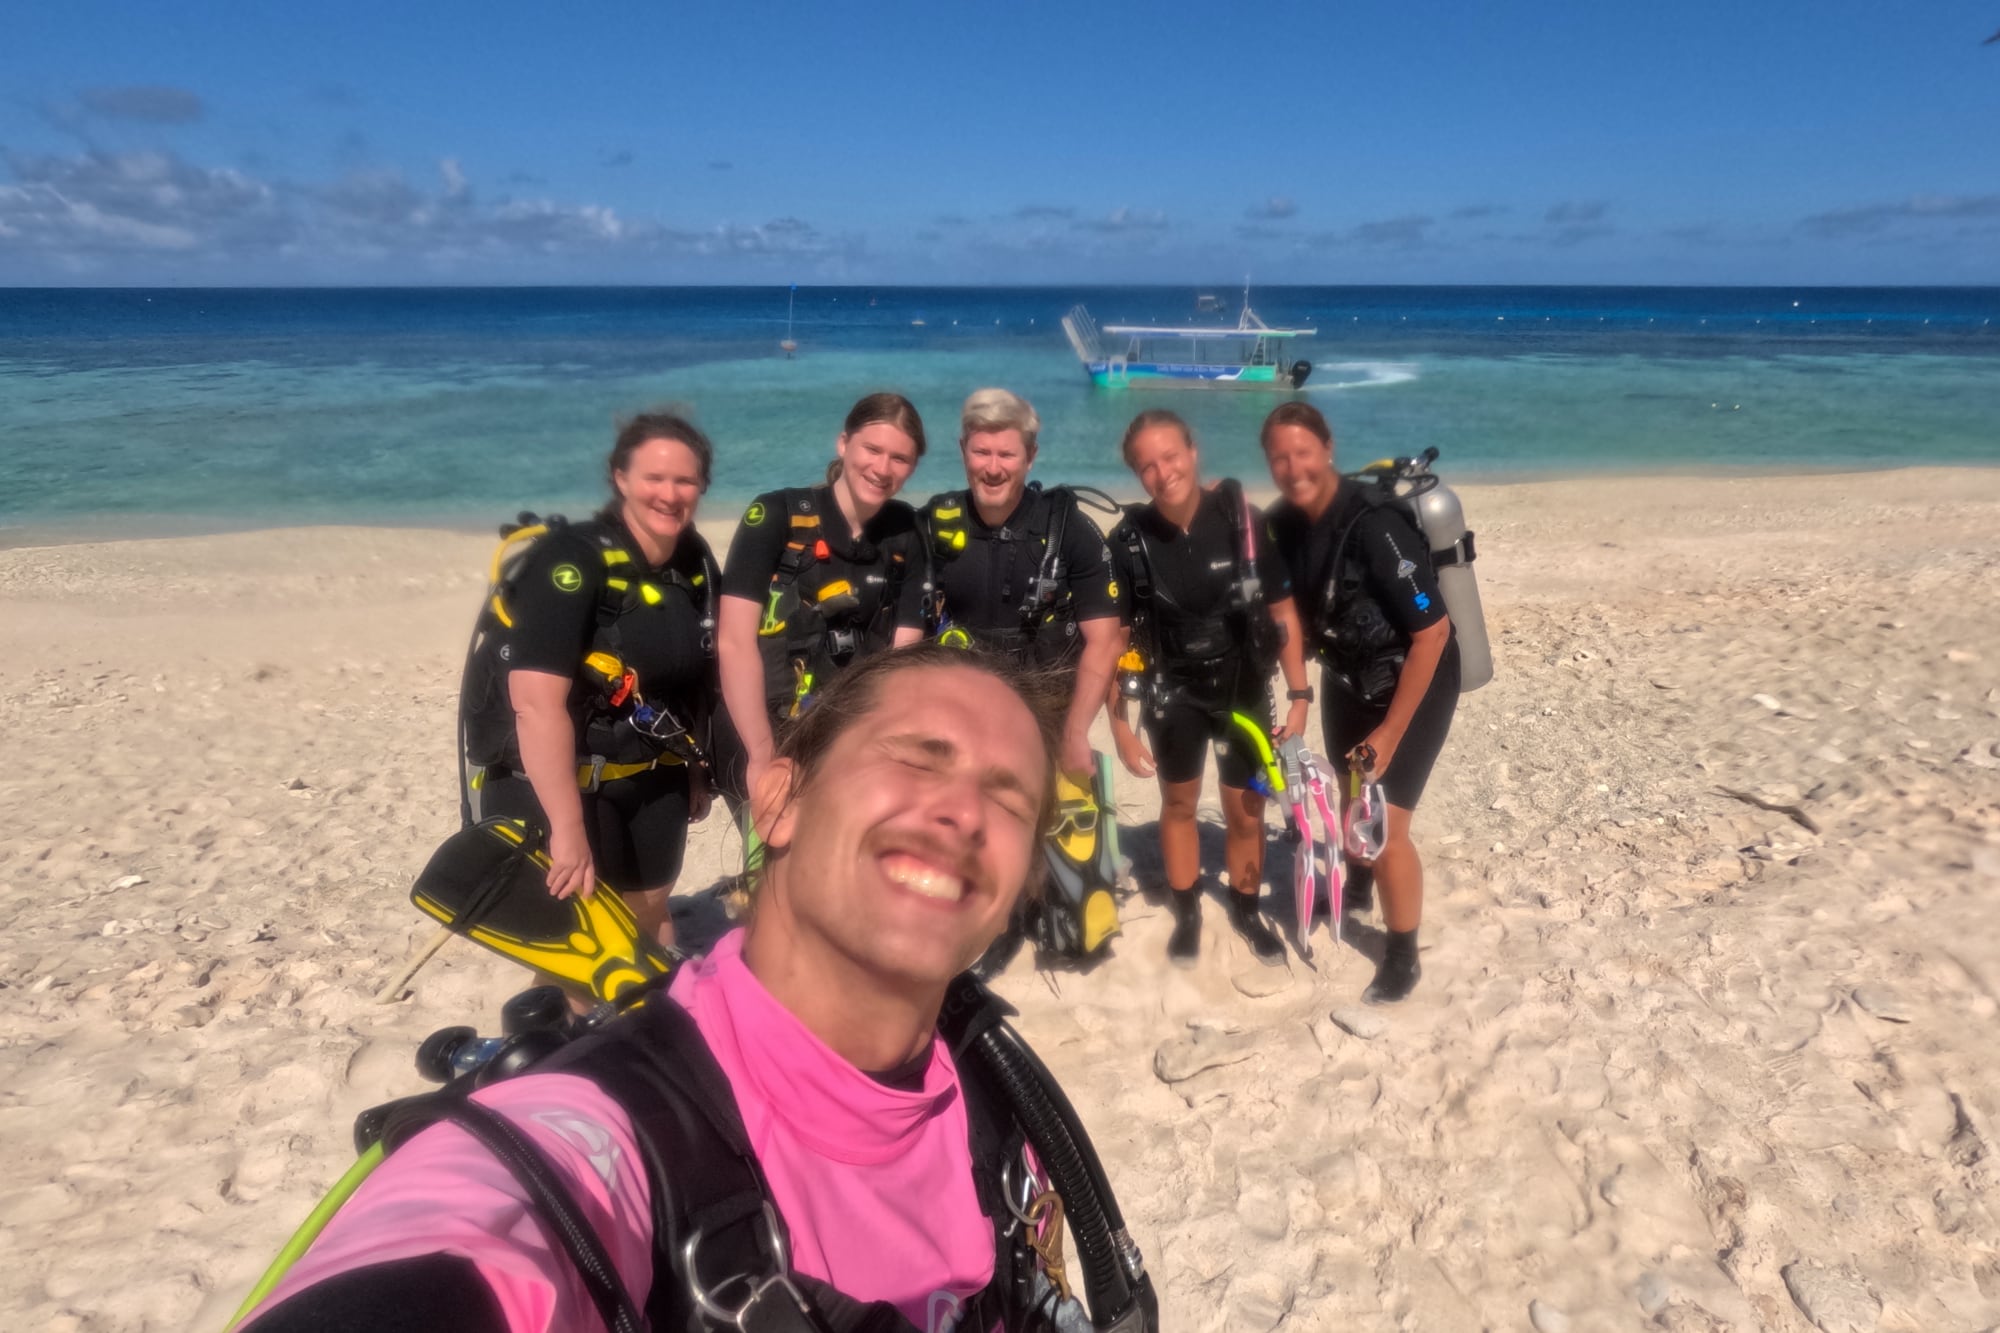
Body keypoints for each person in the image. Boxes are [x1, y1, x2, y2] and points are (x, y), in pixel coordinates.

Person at [238, 646, 1156, 1333]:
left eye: (1009, 799)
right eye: (919, 757)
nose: (964, 812)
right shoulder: (599, 1140)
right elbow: (474, 1233)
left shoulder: (993, 1088)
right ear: (780, 800)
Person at [459, 411, 721, 949]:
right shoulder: (571, 561)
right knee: (579, 939)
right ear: (620, 478)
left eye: (685, 480)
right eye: (654, 477)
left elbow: (698, 673)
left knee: (650, 909)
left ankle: (649, 999)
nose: (669, 494)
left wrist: (697, 766)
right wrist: (567, 827)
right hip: (566, 787)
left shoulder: (694, 561)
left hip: (655, 776)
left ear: (702, 486)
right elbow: (536, 704)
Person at [1260, 401, 1458, 1004]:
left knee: (1385, 824)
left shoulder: (1375, 526)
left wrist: (1391, 735)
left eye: (1302, 452)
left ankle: (1401, 954)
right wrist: (1296, 696)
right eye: (1278, 458)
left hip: (1416, 677)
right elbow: (1288, 618)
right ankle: (1358, 882)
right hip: (1348, 678)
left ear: (1327, 449)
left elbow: (1433, 633)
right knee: (1350, 805)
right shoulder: (1281, 525)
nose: (1293, 467)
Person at [1106, 410, 1312, 967]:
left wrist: (1300, 696)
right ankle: (1188, 911)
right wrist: (1120, 727)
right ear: (1137, 474)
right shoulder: (1128, 542)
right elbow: (1116, 641)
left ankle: (1245, 908)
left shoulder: (1242, 522)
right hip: (1174, 693)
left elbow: (1282, 610)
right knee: (1178, 803)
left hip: (1244, 687)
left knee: (1246, 810)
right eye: (1147, 466)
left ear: (1193, 452)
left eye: (1170, 456)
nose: (1163, 472)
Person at [716, 392, 932, 804]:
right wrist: (762, 755)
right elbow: (733, 642)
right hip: (760, 728)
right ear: (843, 443)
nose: (882, 468)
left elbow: (903, 656)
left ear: (913, 467)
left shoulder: (906, 531)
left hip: (849, 736)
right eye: (872, 449)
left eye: (900, 458)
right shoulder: (776, 516)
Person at [920, 388, 1121, 777]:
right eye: (981, 452)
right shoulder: (935, 523)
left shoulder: (1067, 529)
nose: (993, 468)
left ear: (1031, 456)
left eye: (1007, 455)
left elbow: (1105, 640)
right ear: (962, 450)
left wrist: (1076, 732)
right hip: (957, 712)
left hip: (1044, 713)